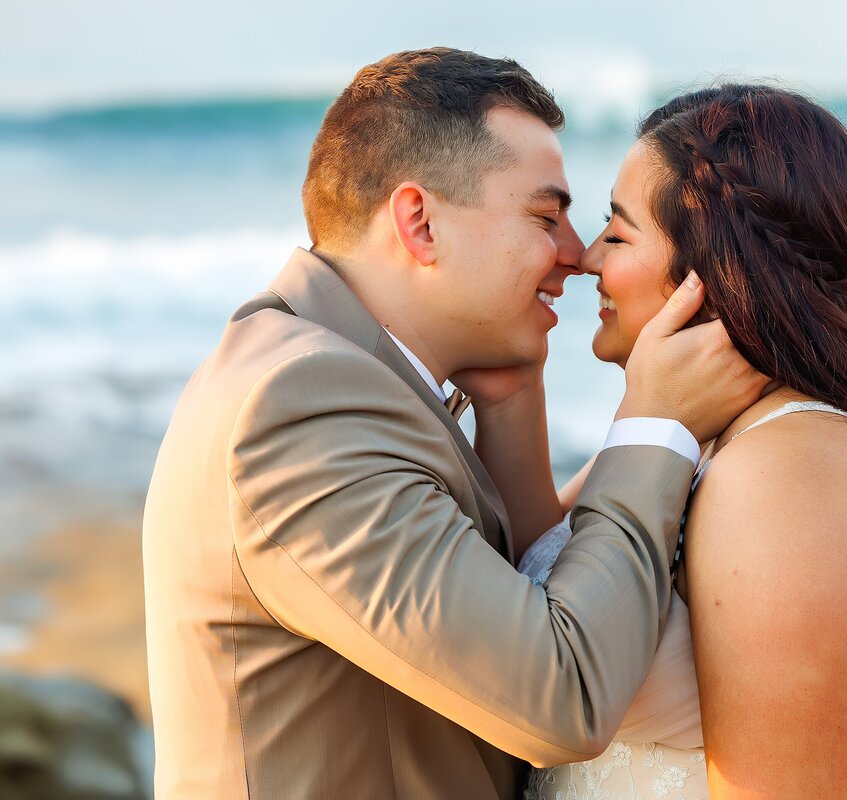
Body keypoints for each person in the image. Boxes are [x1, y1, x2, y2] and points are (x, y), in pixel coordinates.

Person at [141, 50, 767, 799]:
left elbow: (502, 603)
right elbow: (562, 695)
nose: (578, 255)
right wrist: (653, 427)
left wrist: (507, 401)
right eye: (546, 216)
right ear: (420, 223)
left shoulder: (327, 371)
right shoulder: (299, 407)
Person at [523, 85, 847, 799]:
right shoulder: (695, 444)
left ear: (715, 273)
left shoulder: (795, 480)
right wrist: (510, 377)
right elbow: (522, 598)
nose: (587, 259)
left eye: (617, 234)